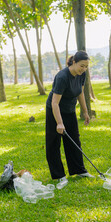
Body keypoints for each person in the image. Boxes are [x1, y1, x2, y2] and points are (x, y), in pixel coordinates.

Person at [45, 50, 94, 184]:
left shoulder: (81, 75)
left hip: (69, 110)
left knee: (74, 140)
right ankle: (59, 175)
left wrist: (85, 111)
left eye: (86, 66)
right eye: (81, 66)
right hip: (54, 110)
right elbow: (55, 103)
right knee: (53, 143)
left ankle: (79, 170)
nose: (83, 69)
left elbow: (80, 93)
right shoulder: (62, 77)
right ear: (74, 62)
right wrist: (59, 123)